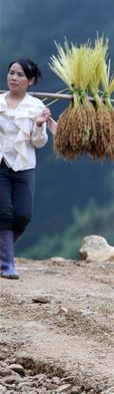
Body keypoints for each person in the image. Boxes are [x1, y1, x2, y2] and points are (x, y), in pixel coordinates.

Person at [1, 59, 55, 280]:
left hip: (23, 166)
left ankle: (3, 254)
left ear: (30, 81)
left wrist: (41, 124)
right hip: (0, 164)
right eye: (11, 73)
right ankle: (6, 265)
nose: (14, 78)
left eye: (20, 75)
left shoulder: (36, 107)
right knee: (3, 213)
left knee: (23, 216)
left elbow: (38, 142)